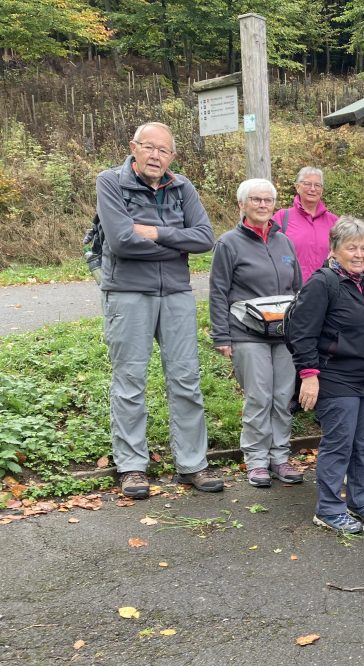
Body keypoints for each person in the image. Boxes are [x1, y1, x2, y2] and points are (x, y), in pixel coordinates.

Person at [95, 121, 222, 499]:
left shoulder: (182, 187)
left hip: (177, 294)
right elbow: (120, 241)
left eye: (163, 150)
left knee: (186, 381)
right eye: (149, 147)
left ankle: (192, 464)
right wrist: (177, 243)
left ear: (173, 156)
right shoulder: (110, 182)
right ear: (133, 147)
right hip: (128, 292)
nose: (155, 155)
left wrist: (155, 232)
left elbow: (205, 238)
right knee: (130, 383)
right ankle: (132, 467)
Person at [288, 216, 364, 533]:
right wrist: (309, 374)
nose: (359, 254)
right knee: (339, 444)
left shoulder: (362, 282)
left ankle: (359, 501)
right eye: (351, 248)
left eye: (363, 248)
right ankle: (329, 509)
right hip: (336, 378)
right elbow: (301, 334)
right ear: (334, 249)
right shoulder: (322, 283)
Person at [209, 179, 304, 488]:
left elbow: (298, 289)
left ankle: (280, 457)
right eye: (256, 200)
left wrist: (304, 331)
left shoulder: (285, 242)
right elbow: (218, 291)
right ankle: (257, 461)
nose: (263, 205)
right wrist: (222, 336)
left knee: (282, 398)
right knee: (259, 397)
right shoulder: (229, 243)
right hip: (246, 334)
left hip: (284, 335)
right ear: (242, 205)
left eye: (268, 200)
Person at [272, 167, 338, 283]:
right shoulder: (282, 217)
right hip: (290, 290)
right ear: (297, 187)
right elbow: (270, 252)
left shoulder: (333, 221)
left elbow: (341, 255)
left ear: (322, 190)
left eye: (317, 185)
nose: (312, 189)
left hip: (325, 289)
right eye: (307, 184)